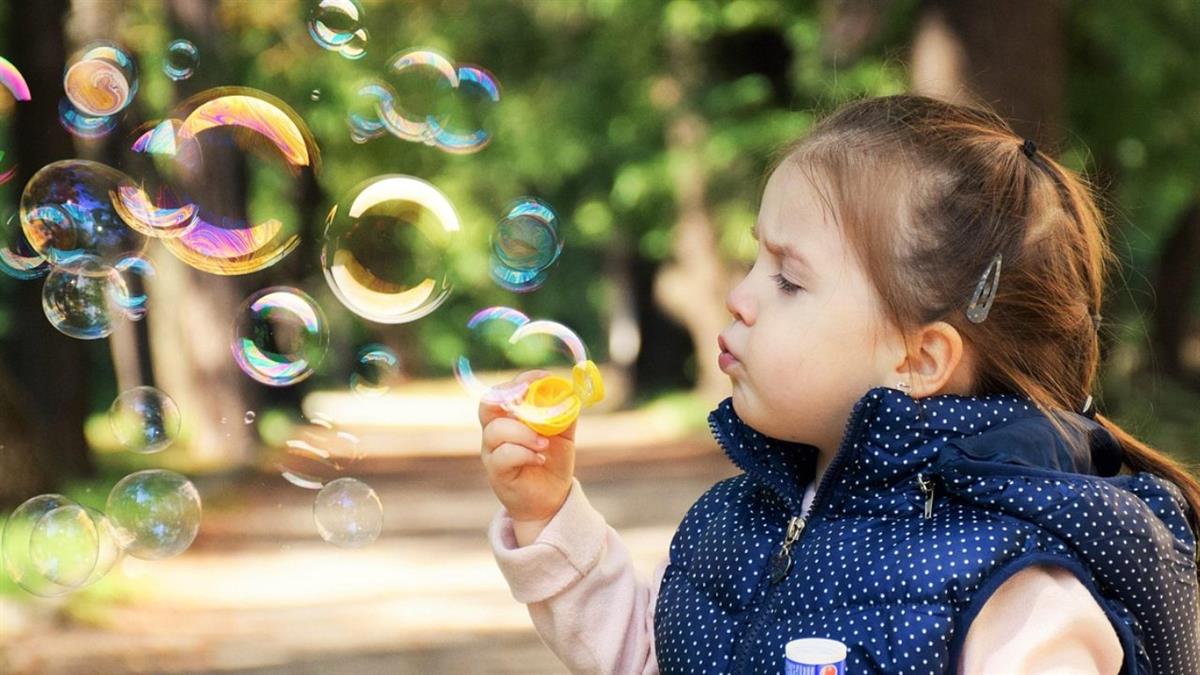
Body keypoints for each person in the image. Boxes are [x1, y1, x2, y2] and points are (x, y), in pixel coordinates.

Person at [479, 94, 1200, 674]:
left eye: (789, 280)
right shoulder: (741, 522)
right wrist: (549, 514)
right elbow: (652, 656)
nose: (740, 296)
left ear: (920, 359)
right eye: (756, 261)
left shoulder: (1016, 589)